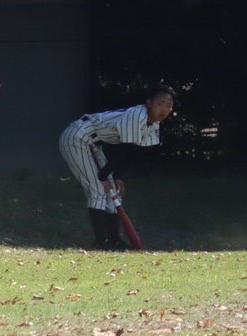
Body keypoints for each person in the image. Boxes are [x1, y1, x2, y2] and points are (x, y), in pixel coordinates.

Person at [58, 85, 175, 250]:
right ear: (149, 103)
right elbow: (124, 149)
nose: (164, 109)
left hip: (93, 144)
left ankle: (114, 240)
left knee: (113, 190)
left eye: (169, 106)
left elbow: (134, 151)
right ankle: (101, 242)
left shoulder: (153, 125)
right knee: (98, 189)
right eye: (160, 103)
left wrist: (117, 176)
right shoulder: (137, 115)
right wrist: (104, 175)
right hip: (77, 137)